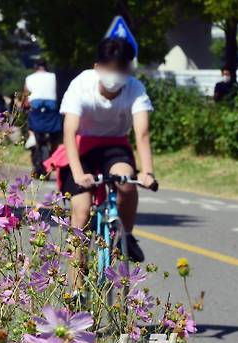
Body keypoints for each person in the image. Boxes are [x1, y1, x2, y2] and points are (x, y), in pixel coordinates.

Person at [44, 37, 156, 288]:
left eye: (120, 69)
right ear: (97, 66)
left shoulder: (135, 89)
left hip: (115, 146)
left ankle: (125, 236)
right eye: (109, 68)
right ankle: (74, 291)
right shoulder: (81, 85)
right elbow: (69, 132)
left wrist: (147, 172)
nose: (114, 75)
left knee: (127, 183)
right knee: (81, 212)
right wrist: (78, 173)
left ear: (128, 69)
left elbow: (142, 134)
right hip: (81, 149)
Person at [22, 58, 61, 176]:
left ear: (35, 67)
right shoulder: (53, 76)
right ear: (46, 67)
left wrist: (24, 107)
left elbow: (25, 96)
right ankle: (54, 153)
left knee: (31, 123)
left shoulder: (29, 78)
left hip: (36, 107)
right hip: (51, 108)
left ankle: (32, 136)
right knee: (56, 134)